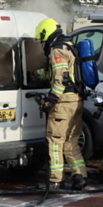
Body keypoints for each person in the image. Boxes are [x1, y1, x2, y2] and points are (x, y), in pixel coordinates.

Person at [34, 18, 87, 191]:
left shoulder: (57, 49)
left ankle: (56, 181)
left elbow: (61, 78)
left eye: (42, 40)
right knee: (71, 141)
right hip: (76, 100)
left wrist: (51, 99)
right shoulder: (69, 45)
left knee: (55, 141)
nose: (42, 44)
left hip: (64, 102)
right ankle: (80, 176)